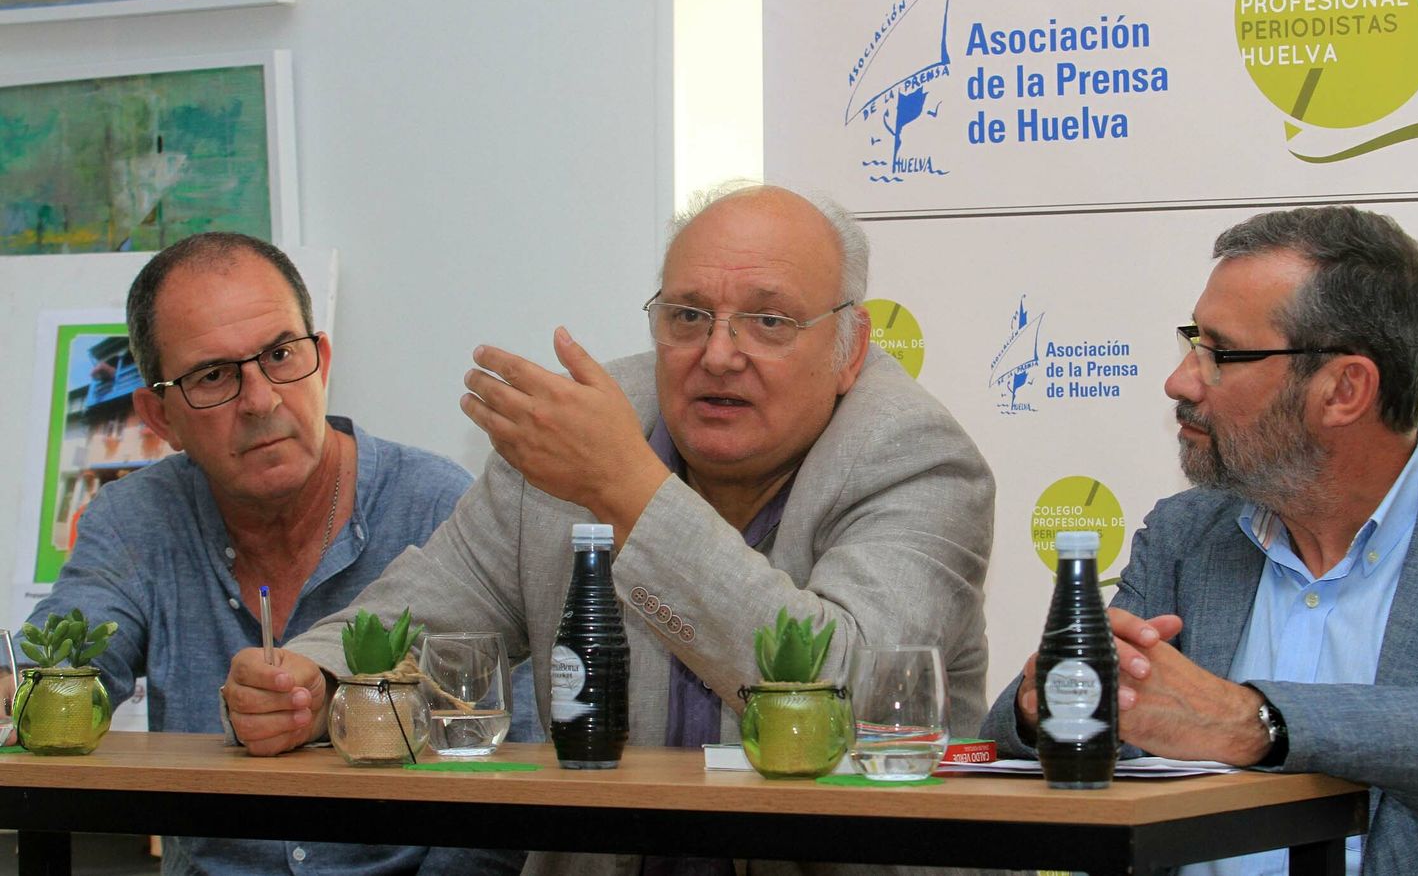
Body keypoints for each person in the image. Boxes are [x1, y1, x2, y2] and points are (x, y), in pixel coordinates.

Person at [222, 183, 997, 876]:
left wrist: (627, 488)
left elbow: (853, 689)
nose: (719, 355)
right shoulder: (589, 423)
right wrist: (309, 679)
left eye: (768, 321)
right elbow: (428, 611)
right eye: (688, 316)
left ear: (848, 348)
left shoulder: (913, 456)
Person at [984, 206, 1418, 875]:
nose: (1181, 380)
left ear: (1343, 389)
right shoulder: (1187, 536)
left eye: (1221, 353)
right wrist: (1041, 708)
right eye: (1191, 343)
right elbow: (1031, 752)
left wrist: (1256, 723)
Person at [26, 232, 533, 876]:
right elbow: (66, 663)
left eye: (280, 355)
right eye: (213, 376)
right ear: (159, 418)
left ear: (321, 360)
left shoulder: (440, 508)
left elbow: (513, 775)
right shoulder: (134, 522)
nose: (261, 401)